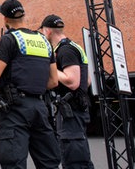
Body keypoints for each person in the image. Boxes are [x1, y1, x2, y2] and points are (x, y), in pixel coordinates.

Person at [0, 0, 60, 169]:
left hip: (15, 109)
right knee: (48, 161)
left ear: (5, 19)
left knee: (13, 162)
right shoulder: (43, 41)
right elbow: (53, 81)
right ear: (23, 15)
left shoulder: (10, 39)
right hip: (40, 107)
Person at [39, 14, 94, 169]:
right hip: (76, 110)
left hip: (71, 113)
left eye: (43, 32)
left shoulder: (65, 50)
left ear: (48, 31)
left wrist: (50, 68)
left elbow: (72, 81)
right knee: (81, 158)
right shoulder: (75, 47)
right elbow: (87, 80)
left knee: (73, 160)